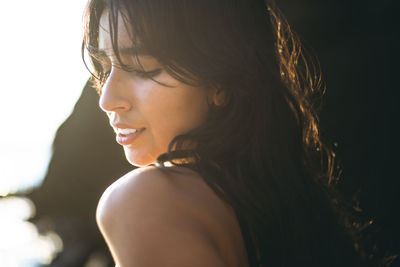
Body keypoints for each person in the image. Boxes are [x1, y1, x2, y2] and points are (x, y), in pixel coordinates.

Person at [82, 0, 366, 266]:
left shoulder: (141, 201)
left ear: (219, 80)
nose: (106, 100)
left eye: (142, 68)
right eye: (104, 70)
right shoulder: (289, 204)